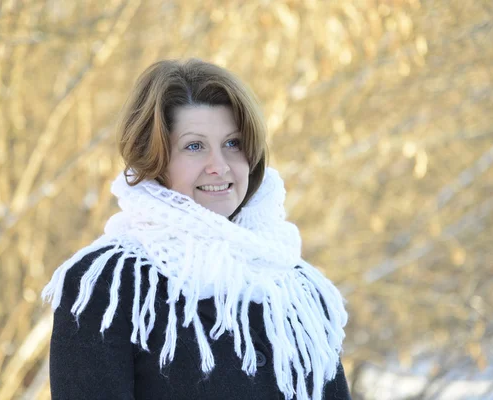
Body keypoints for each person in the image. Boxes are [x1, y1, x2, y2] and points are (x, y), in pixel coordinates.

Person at [42, 59, 350, 400]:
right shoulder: (109, 286)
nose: (219, 166)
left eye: (233, 143)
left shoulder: (297, 287)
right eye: (194, 146)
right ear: (155, 161)